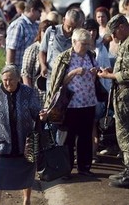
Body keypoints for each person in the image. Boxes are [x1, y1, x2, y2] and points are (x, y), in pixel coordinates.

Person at [0, 64, 46, 205]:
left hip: (24, 144)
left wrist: (41, 115)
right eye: (5, 80)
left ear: (18, 78)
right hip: (1, 144)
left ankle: (26, 200)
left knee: (26, 174)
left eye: (11, 79)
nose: (7, 83)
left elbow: (37, 112)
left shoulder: (28, 92)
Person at [98, 14, 129, 188]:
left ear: (121, 27)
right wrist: (113, 70)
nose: (113, 37)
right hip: (127, 94)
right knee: (126, 132)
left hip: (127, 95)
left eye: (114, 33)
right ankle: (128, 170)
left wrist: (109, 75)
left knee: (127, 133)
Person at [45, 28, 98, 180]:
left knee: (85, 137)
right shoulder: (64, 58)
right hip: (70, 105)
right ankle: (65, 169)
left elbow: (94, 79)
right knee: (67, 138)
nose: (87, 46)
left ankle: (84, 167)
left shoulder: (91, 55)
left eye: (89, 43)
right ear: (74, 42)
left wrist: (96, 72)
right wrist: (74, 72)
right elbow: (57, 81)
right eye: (84, 43)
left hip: (88, 102)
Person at [82, 19, 112, 164]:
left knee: (94, 123)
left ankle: (93, 153)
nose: (92, 32)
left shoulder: (102, 48)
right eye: (89, 30)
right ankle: (82, 154)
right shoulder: (79, 47)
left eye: (94, 30)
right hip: (81, 91)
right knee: (82, 124)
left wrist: (107, 90)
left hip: (97, 90)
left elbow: (106, 69)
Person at [39, 9, 82, 90]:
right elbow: (42, 51)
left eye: (74, 27)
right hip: (51, 74)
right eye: (68, 26)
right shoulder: (52, 31)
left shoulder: (77, 37)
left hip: (69, 77)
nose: (70, 30)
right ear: (63, 20)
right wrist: (43, 66)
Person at [21, 20, 54, 107]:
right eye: (44, 31)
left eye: (49, 31)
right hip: (37, 92)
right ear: (40, 32)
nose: (47, 34)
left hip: (52, 91)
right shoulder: (33, 49)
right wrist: (29, 95)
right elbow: (25, 73)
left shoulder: (55, 48)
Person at [6, 0, 45, 71]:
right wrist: (10, 71)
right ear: (32, 10)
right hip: (19, 70)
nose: (40, 15)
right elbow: (11, 49)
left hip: (32, 70)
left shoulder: (36, 25)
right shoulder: (18, 25)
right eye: (39, 11)